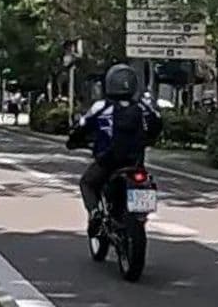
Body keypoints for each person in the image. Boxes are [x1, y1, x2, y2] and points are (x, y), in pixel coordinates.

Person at [68, 64, 161, 235]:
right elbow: (157, 125)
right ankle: (141, 215)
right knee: (145, 182)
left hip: (108, 162)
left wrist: (74, 140)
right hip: (136, 163)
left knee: (87, 183)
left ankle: (95, 213)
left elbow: (81, 127)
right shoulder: (143, 107)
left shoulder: (102, 106)